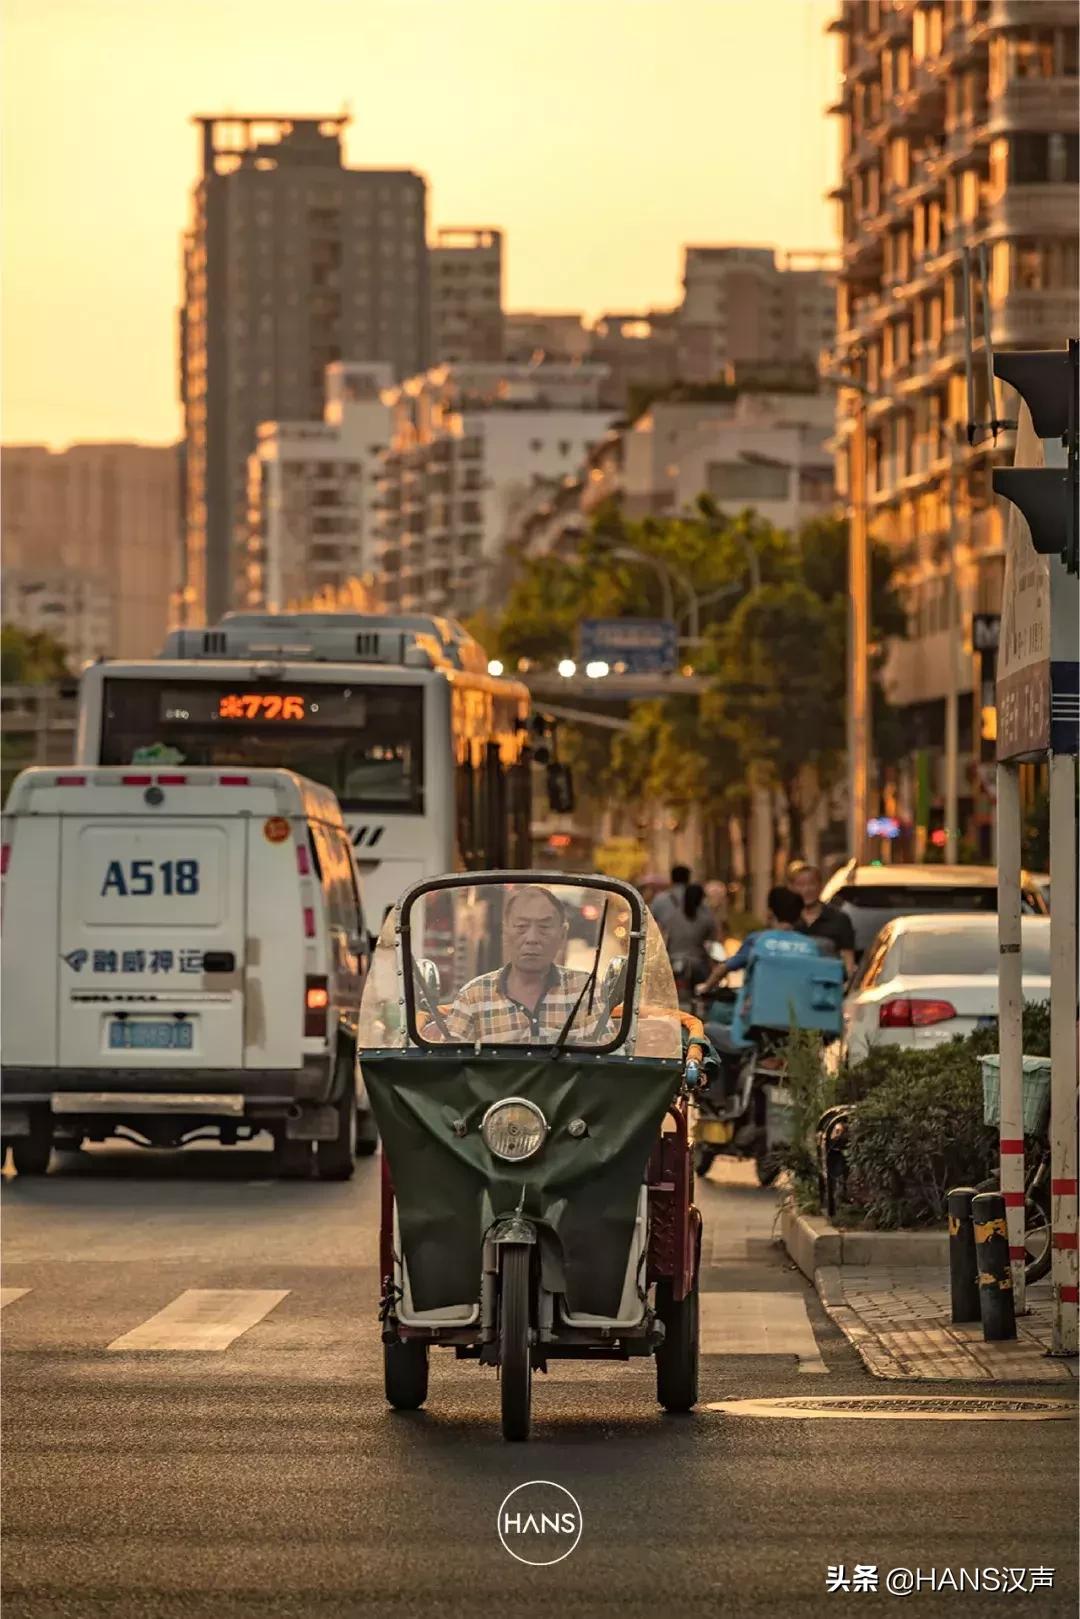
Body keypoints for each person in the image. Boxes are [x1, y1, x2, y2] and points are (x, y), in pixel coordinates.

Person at [435, 886, 599, 1046]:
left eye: (544, 927)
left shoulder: (585, 990)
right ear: (505, 932)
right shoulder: (473, 996)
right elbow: (450, 1065)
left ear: (562, 934)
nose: (532, 938)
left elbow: (606, 1065)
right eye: (521, 927)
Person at [695, 885, 810, 994]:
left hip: (760, 1008)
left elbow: (724, 968)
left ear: (770, 913)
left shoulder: (757, 940)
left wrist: (706, 987)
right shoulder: (810, 945)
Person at [791, 863, 856, 978]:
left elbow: (848, 960)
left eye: (811, 884)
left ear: (821, 886)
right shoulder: (788, 921)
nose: (806, 889)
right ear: (792, 888)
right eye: (800, 885)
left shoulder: (839, 919)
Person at [660, 881, 716, 992]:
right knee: (708, 989)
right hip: (697, 963)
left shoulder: (672, 916)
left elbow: (666, 938)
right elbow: (711, 942)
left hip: (673, 961)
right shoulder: (706, 918)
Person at [651, 863, 691, 929]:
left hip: (668, 937)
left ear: (672, 879)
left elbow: (651, 920)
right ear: (688, 879)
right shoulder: (696, 898)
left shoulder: (659, 898)